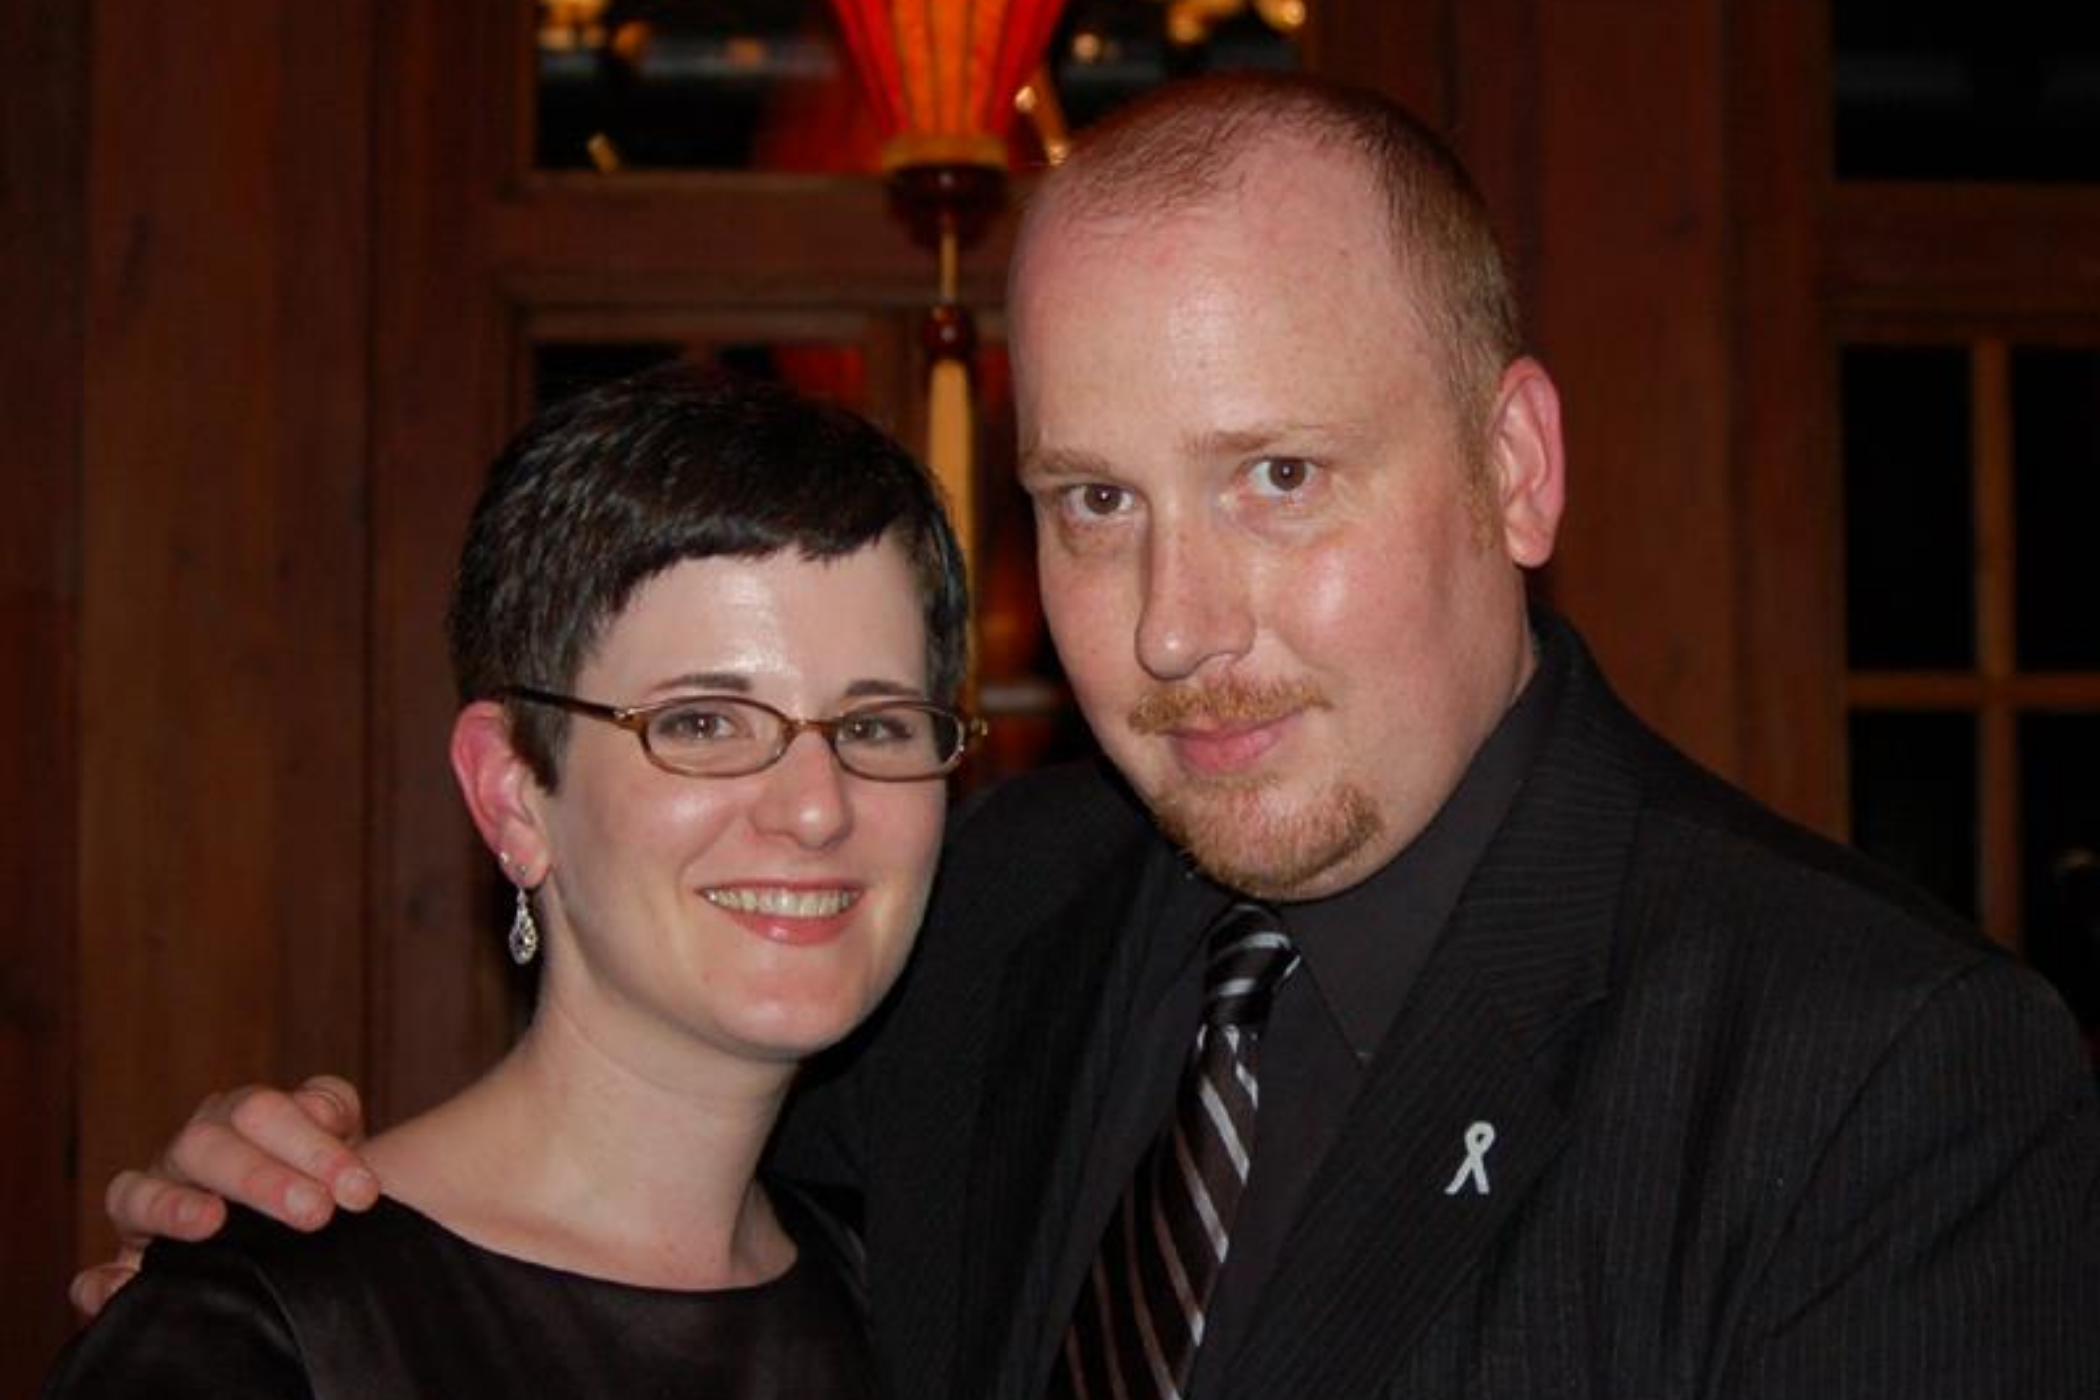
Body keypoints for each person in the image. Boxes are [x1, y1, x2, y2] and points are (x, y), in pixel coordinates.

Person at [77, 74, 2100, 1400]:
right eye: (1096, 500)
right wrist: (291, 1236)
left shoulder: (1883, 1078)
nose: (1177, 627)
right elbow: (622, 1202)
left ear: (1517, 466)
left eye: (1281, 474)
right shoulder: (966, 914)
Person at [46, 367, 980, 1396]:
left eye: (876, 725)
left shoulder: (913, 1305)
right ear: (512, 793)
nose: (817, 806)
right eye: (704, 721)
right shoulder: (265, 1335)